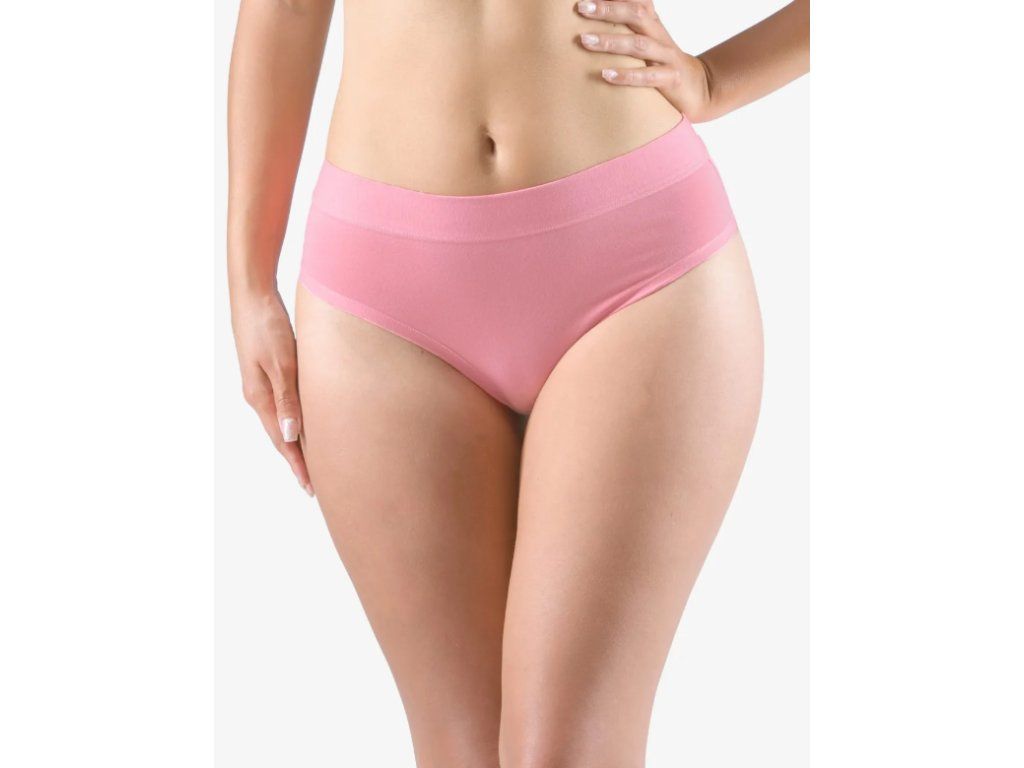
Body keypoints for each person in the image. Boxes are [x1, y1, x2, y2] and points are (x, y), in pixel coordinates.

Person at [227, 0, 808, 764]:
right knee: (460, 751)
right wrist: (249, 286)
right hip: (381, 298)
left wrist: (716, 80)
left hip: (637, 270)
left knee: (566, 752)